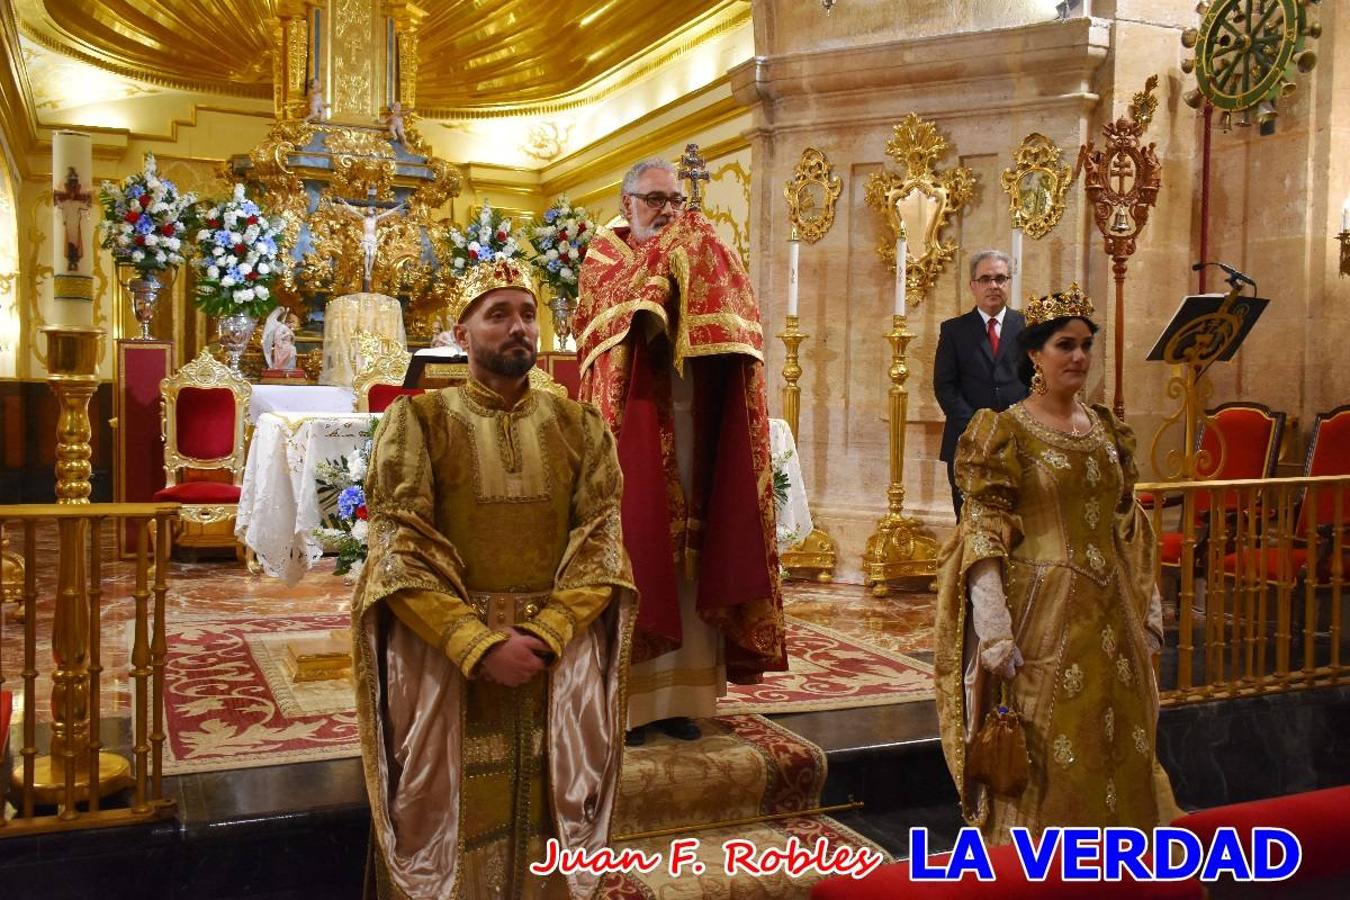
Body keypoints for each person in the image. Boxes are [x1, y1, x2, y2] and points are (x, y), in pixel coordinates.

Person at [352, 258, 636, 898]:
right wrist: (476, 644)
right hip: (445, 661)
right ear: (461, 333)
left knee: (550, 823)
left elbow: (602, 544)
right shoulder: (420, 422)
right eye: (498, 314)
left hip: (554, 661)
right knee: (444, 824)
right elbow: (400, 552)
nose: (519, 328)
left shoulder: (579, 426)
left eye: (528, 314)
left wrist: (551, 631)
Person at [933, 284, 1180, 844]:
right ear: (1034, 355)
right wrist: (993, 631)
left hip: (1110, 609)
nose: (1079, 358)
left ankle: (1123, 859)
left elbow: (1128, 528)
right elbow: (983, 533)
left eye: (1087, 346)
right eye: (1065, 345)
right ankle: (1039, 865)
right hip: (1041, 614)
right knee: (1049, 736)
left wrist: (1148, 610)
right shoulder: (1005, 431)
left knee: (1120, 734)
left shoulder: (1105, 430)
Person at [574, 157, 786, 746]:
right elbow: (613, 317)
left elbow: (737, 316)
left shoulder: (700, 247)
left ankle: (679, 698)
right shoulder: (604, 257)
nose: (667, 210)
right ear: (626, 204)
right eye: (653, 199)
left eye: (674, 200)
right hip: (636, 430)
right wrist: (672, 261)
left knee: (693, 556)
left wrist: (703, 261)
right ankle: (627, 702)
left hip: (697, 427)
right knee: (640, 553)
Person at [934, 250, 1028, 517]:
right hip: (967, 442)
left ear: (1009, 283)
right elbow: (945, 385)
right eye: (985, 279)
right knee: (970, 524)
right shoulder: (954, 330)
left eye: (1000, 278)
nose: (993, 285)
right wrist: (978, 427)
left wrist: (1017, 422)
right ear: (973, 286)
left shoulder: (1027, 326)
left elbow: (1037, 380)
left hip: (1018, 440)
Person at [336, 198, 406, 292]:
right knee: (367, 254)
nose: (369, 208)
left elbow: (389, 212)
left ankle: (369, 271)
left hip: (372, 238)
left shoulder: (376, 219)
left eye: (371, 208)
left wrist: (400, 206)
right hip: (366, 238)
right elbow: (352, 210)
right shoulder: (363, 218)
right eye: (368, 208)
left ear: (373, 211)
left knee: (372, 255)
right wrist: (344, 202)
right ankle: (367, 272)